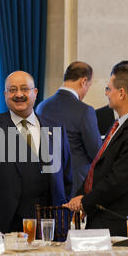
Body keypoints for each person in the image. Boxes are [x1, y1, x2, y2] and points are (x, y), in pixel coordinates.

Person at [64, 64, 128, 237]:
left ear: (121, 93)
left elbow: (117, 181)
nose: (106, 93)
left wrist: (85, 202)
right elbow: (100, 168)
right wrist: (82, 195)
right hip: (103, 218)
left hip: (118, 225)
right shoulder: (121, 124)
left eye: (108, 89)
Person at [0, 71, 72, 233]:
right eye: (12, 90)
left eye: (24, 89)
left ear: (35, 92)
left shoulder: (55, 127)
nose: (18, 94)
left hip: (51, 222)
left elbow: (66, 175)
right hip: (7, 222)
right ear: (5, 94)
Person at [36, 61, 101, 196]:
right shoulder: (85, 110)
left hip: (47, 181)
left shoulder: (42, 107)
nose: (87, 90)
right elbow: (96, 153)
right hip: (76, 185)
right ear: (83, 81)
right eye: (89, 85)